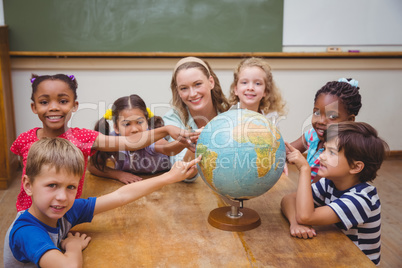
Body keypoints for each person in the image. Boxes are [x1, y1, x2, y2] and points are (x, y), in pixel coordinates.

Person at [11, 74, 198, 212]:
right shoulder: (24, 140)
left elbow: (132, 142)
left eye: (62, 101)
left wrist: (167, 130)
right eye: (44, 102)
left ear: (74, 105)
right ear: (34, 107)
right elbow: (25, 175)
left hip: (66, 215)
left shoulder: (83, 138)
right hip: (30, 217)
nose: (53, 107)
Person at [4, 138, 201, 267]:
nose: (62, 197)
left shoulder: (65, 210)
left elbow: (121, 196)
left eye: (70, 187)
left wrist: (169, 177)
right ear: (28, 185)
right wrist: (73, 246)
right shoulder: (27, 231)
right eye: (52, 185)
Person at [281, 122, 388, 265]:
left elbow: (306, 216)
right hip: (334, 254)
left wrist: (304, 169)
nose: (322, 156)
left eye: (331, 152)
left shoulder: (361, 199)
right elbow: (288, 199)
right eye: (324, 149)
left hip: (355, 263)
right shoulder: (330, 183)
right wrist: (295, 224)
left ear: (356, 167)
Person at [88, 94, 189, 184]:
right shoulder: (113, 140)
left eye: (139, 122)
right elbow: (92, 166)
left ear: (147, 122)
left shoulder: (152, 138)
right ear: (116, 128)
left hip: (160, 180)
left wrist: (185, 143)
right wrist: (118, 174)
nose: (135, 129)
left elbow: (168, 149)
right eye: (127, 124)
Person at [163, 57, 230, 181]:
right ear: (178, 91)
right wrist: (198, 142)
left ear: (211, 82)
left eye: (198, 84)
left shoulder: (230, 113)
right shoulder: (172, 120)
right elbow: (184, 175)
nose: (192, 93)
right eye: (184, 88)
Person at [289, 78, 362, 183]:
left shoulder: (341, 150)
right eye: (317, 113)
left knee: (290, 199)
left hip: (327, 195)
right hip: (310, 191)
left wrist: (303, 166)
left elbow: (318, 189)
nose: (321, 121)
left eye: (332, 116)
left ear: (350, 120)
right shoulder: (312, 135)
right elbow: (285, 152)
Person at [228, 57, 287, 126]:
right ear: (236, 90)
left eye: (257, 83)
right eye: (244, 82)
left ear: (266, 91)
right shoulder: (228, 118)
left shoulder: (270, 118)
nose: (250, 88)